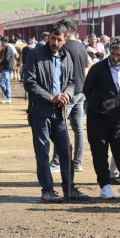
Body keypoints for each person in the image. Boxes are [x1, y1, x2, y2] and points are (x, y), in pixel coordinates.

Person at [22, 22, 89, 203]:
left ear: (65, 39)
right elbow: (29, 82)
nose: (55, 43)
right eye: (52, 38)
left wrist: (66, 94)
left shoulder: (66, 56)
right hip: (40, 111)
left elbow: (72, 82)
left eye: (59, 40)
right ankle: (47, 190)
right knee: (43, 151)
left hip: (59, 111)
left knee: (66, 150)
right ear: (48, 37)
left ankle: (69, 189)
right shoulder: (35, 54)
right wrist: (50, 97)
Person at [82, 36, 120, 200]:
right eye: (113, 54)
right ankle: (105, 186)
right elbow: (87, 90)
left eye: (119, 55)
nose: (115, 58)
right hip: (98, 118)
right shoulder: (98, 68)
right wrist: (99, 106)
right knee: (100, 153)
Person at [48, 18, 91, 174]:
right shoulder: (82, 47)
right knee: (78, 128)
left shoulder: (65, 47)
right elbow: (86, 67)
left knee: (60, 126)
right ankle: (78, 162)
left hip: (69, 92)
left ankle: (57, 161)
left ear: (68, 31)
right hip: (81, 91)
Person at [0, 36, 16, 104]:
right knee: (6, 83)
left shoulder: (8, 48)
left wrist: (0, 63)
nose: (1, 43)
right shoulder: (7, 48)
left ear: (5, 42)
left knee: (1, 82)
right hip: (7, 67)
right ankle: (8, 98)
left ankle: (7, 96)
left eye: (2, 42)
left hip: (7, 68)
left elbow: (7, 59)